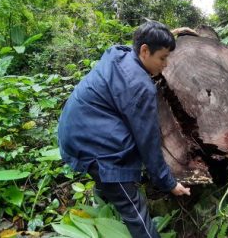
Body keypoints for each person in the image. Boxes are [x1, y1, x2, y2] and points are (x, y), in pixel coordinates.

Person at [58, 20, 191, 238]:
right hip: (96, 147)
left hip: (74, 133)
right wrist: (169, 182)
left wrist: (167, 35)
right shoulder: (140, 86)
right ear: (145, 50)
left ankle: (102, 208)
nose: (166, 65)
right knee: (134, 208)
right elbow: (148, 142)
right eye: (163, 58)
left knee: (107, 181)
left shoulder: (119, 54)